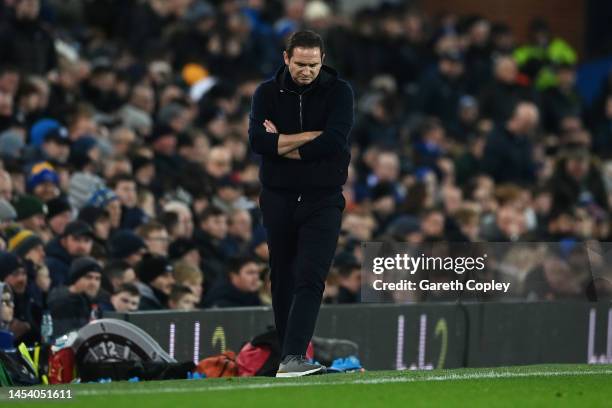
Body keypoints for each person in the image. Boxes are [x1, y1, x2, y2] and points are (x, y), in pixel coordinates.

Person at [248, 30, 353, 377]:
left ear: (322, 60)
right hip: (277, 198)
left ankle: (293, 356)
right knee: (282, 277)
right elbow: (258, 143)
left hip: (323, 199)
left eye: (313, 64)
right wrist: (310, 139)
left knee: (311, 275)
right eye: (300, 64)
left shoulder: (340, 92)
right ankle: (287, 358)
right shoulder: (266, 92)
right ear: (286, 59)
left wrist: (283, 142)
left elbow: (335, 141)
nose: (306, 71)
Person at [48, 256, 102, 336]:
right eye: (88, 277)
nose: (93, 283)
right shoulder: (62, 303)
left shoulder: (89, 302)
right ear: (75, 279)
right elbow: (64, 341)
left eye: (97, 279)